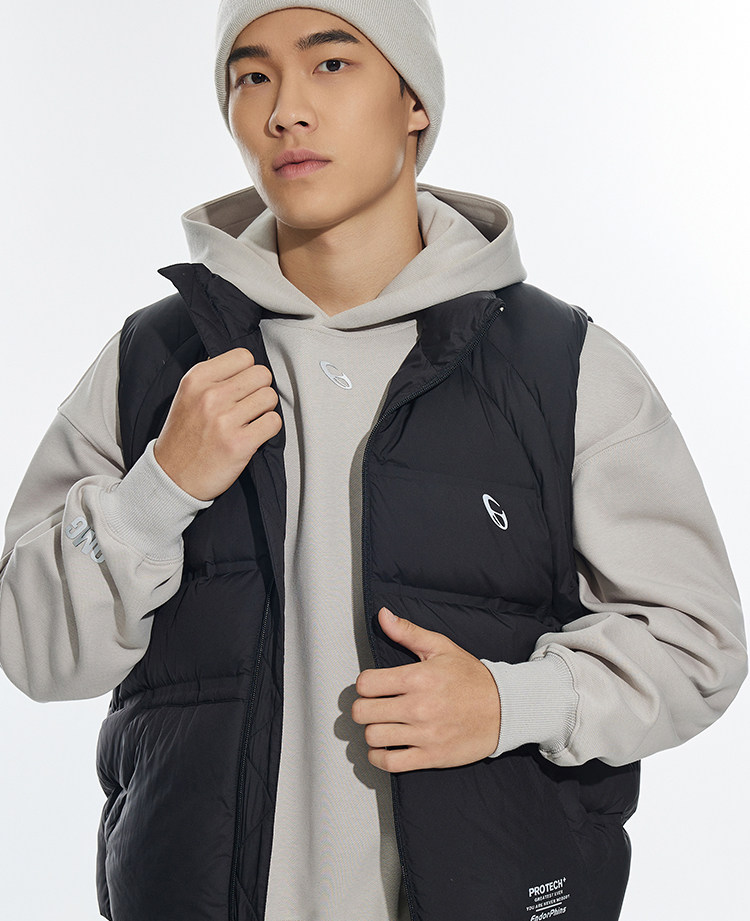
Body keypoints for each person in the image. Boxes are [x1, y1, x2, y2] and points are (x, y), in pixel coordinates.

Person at [0, 1, 746, 919]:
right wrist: (158, 490)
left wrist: (515, 702)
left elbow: (698, 643)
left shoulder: (561, 368)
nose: (286, 110)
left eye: (332, 64)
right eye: (252, 76)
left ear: (414, 100)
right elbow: (31, 650)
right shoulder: (152, 365)